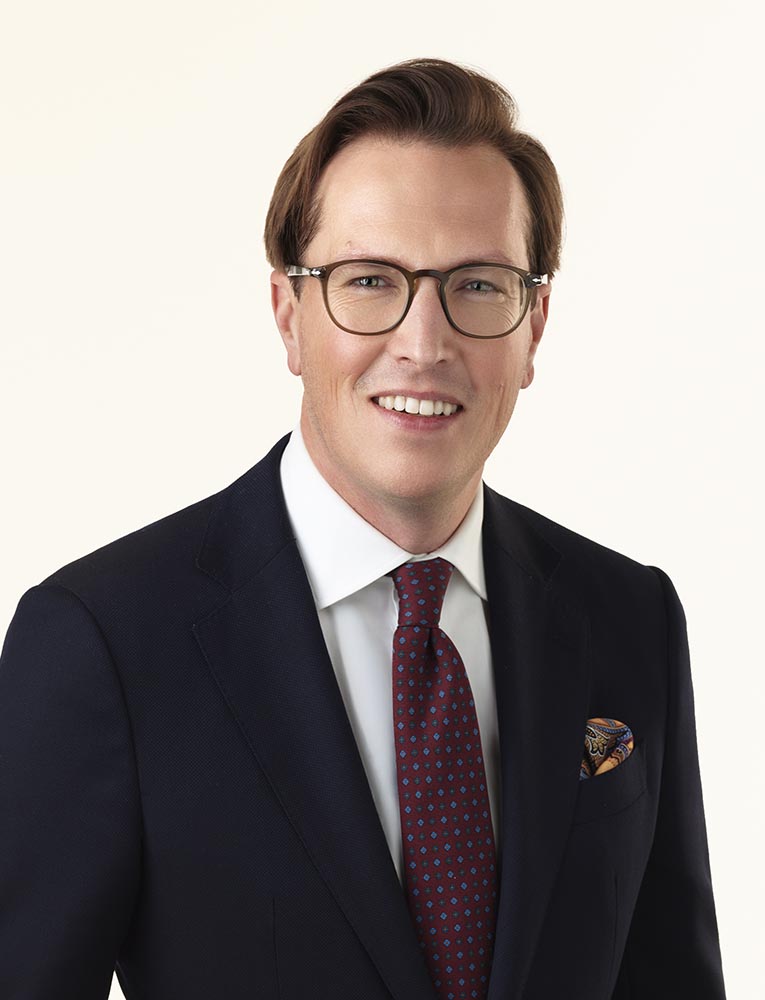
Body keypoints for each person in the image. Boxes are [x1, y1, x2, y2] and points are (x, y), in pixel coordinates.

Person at [0, 58, 726, 1000]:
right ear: (288, 314)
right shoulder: (102, 642)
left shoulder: (629, 620)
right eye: (371, 280)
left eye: (476, 285)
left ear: (534, 326)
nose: (425, 344)